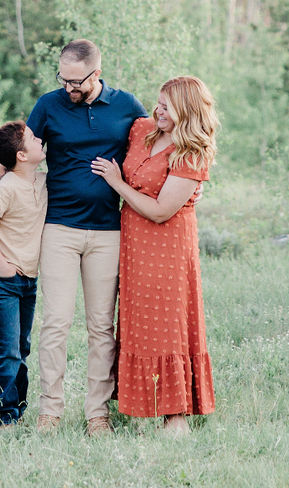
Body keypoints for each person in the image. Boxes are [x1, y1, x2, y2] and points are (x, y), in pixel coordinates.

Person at [0, 40, 147, 435]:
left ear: (97, 73)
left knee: (101, 326)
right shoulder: (49, 105)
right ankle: (49, 410)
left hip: (108, 231)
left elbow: (153, 146)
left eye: (76, 81)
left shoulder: (127, 106)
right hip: (59, 229)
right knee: (55, 322)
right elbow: (16, 154)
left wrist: (190, 184)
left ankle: (97, 414)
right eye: (63, 78)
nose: (68, 87)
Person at [90, 75, 218, 434]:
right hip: (134, 244)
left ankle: (175, 415)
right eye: (158, 103)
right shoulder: (142, 129)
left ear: (186, 111)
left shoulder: (190, 154)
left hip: (168, 246)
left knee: (169, 324)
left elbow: (162, 210)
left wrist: (116, 183)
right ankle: (136, 404)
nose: (157, 110)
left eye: (166, 106)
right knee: (138, 323)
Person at [0, 120, 47, 426]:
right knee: (7, 350)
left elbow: (5, 165)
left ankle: (18, 408)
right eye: (32, 137)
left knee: (22, 347)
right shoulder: (7, 189)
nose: (39, 138)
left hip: (28, 278)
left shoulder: (40, 181)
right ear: (21, 155)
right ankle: (3, 416)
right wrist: (2, 265)